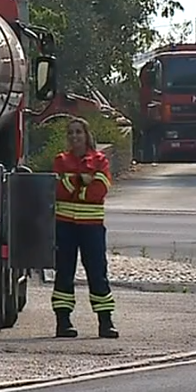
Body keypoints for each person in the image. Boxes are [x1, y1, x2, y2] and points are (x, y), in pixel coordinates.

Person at [50, 117, 119, 339]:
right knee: (64, 273)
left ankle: (105, 322)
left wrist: (73, 184)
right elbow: (58, 190)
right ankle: (63, 322)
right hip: (65, 226)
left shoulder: (100, 160)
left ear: (87, 135)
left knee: (97, 273)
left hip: (92, 227)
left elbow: (100, 190)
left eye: (78, 132)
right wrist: (83, 181)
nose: (74, 136)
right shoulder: (60, 160)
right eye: (71, 132)